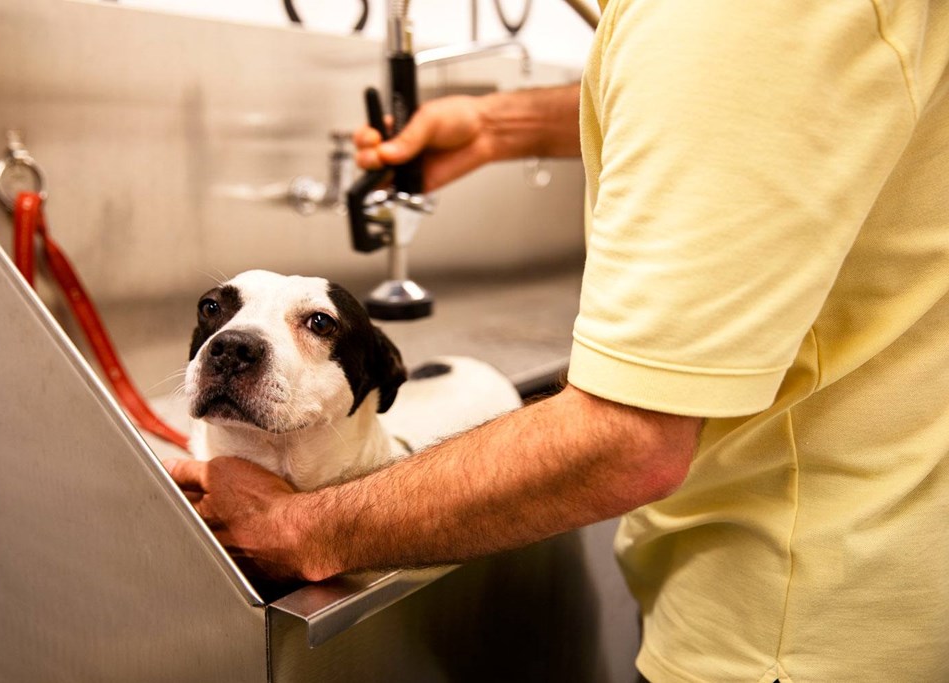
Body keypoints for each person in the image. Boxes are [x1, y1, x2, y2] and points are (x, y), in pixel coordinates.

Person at [168, 2, 949, 680]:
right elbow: (735, 92)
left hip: (787, 630)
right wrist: (495, 123)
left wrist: (297, 528)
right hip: (875, 574)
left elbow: (630, 440)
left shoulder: (726, 13)